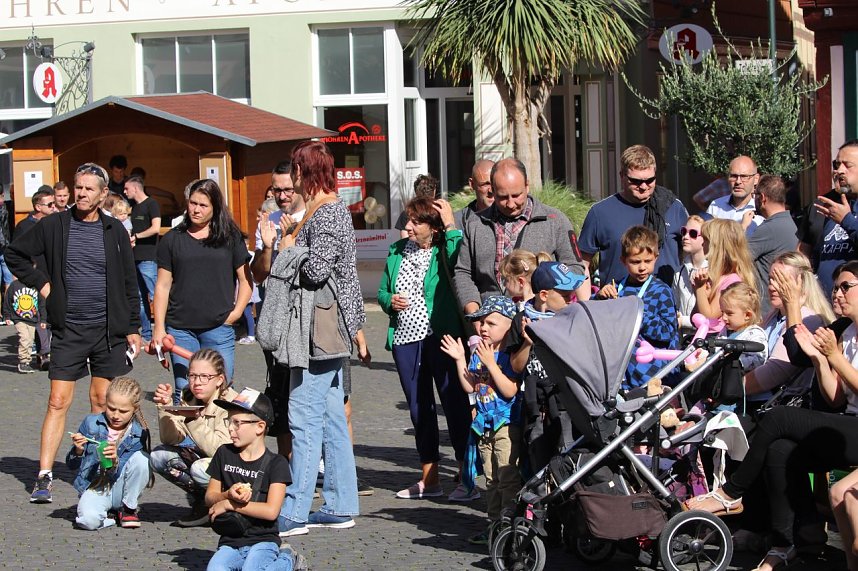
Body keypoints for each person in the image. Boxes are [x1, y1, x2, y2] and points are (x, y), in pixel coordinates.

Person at [686, 261, 858, 571]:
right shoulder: (843, 329)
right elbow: (834, 400)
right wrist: (821, 361)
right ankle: (792, 541)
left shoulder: (837, 332)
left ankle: (732, 493)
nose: (838, 293)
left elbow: (782, 368)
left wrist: (832, 356)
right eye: (835, 287)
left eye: (846, 287)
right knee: (781, 449)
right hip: (844, 422)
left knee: (776, 419)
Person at [6, 162, 141, 505]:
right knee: (57, 401)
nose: (81, 193)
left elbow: (129, 282)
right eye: (78, 187)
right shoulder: (54, 225)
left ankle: (100, 468)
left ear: (102, 195)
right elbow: (14, 253)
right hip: (69, 330)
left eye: (88, 188)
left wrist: (134, 328)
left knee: (102, 403)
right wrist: (44, 285)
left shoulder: (114, 231)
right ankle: (44, 475)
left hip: (108, 332)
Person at [276, 141, 364, 537]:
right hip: (326, 325)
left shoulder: (326, 212)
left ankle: (294, 512)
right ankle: (341, 503)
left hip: (321, 327)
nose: (292, 178)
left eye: (296, 170)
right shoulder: (324, 209)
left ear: (304, 172)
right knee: (329, 420)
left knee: (303, 417)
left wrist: (289, 247)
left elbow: (315, 271)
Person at [377, 196, 473, 502]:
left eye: (416, 222)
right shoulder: (396, 251)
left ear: (432, 227)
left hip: (441, 336)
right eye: (409, 220)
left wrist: (450, 225)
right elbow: (382, 291)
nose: (408, 227)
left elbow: (461, 259)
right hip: (405, 339)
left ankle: (466, 476)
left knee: (455, 405)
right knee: (420, 410)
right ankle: (430, 479)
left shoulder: (445, 249)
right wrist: (388, 301)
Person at [152, 178, 252, 404]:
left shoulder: (230, 237)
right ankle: (186, 440)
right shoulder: (172, 239)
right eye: (193, 203)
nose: (196, 209)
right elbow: (162, 285)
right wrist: (159, 327)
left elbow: (246, 281)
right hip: (180, 329)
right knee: (185, 391)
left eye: (203, 205)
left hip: (218, 327)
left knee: (221, 389)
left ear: (215, 208)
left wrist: (235, 314)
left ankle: (220, 439)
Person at [454, 157, 589, 313]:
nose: (510, 204)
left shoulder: (554, 221)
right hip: (488, 325)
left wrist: (544, 292)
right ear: (493, 190)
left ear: (527, 186)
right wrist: (474, 313)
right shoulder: (475, 223)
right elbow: (463, 272)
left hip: (539, 323)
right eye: (502, 197)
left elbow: (575, 267)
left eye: (516, 195)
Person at [440, 295, 521, 545]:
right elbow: (470, 387)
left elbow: (510, 390)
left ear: (509, 326)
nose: (483, 327)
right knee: (491, 479)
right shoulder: (479, 352)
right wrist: (460, 359)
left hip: (506, 425)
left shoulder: (510, 356)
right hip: (484, 425)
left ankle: (511, 526)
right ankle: (495, 524)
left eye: (491, 323)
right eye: (481, 322)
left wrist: (491, 364)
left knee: (508, 478)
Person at [206, 388, 306, 571]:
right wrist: (227, 494)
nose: (230, 427)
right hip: (231, 540)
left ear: (259, 427)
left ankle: (288, 559)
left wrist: (230, 504)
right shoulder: (224, 454)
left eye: (237, 423)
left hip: (264, 540)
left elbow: (271, 512)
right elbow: (209, 497)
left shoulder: (277, 463)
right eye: (229, 420)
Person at [509, 262, 585, 473]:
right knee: (538, 460)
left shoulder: (572, 317)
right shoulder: (522, 319)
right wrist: (528, 342)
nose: (571, 297)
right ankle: (539, 501)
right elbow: (516, 366)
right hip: (536, 406)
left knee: (568, 456)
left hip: (567, 403)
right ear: (544, 294)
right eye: (564, 293)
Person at [151, 349, 239, 527]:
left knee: (200, 468)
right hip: (210, 461)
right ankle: (203, 502)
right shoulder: (188, 396)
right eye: (192, 376)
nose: (197, 382)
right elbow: (171, 439)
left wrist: (193, 419)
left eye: (205, 376)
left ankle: (226, 503)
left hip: (235, 469)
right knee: (159, 456)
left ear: (219, 380)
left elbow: (220, 451)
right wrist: (165, 408)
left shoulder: (231, 404)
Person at [579, 144, 688, 288]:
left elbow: (693, 254)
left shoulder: (673, 207)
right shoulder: (600, 212)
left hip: (666, 302)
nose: (643, 187)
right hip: (618, 304)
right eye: (636, 181)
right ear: (622, 176)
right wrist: (588, 302)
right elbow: (582, 264)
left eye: (650, 180)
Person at [595, 226, 679, 389]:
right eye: (635, 262)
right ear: (623, 261)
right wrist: (599, 298)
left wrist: (636, 312)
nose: (642, 267)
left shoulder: (661, 291)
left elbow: (668, 332)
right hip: (618, 370)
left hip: (651, 371)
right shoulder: (617, 287)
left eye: (647, 261)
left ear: (656, 257)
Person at [66, 377, 153, 530]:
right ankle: (110, 519)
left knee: (144, 459)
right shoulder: (90, 423)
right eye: (111, 408)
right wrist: (78, 450)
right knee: (87, 521)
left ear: (135, 409)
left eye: (123, 411)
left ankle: (128, 509)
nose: (116, 415)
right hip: (95, 486)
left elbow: (132, 471)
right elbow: (71, 465)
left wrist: (114, 460)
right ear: (105, 402)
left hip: (122, 488)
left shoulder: (139, 433)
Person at [798, 140, 858, 297]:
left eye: (847, 165)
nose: (839, 170)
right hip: (822, 307)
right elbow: (802, 254)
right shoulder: (821, 204)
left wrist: (847, 220)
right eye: (836, 164)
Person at [693, 218, 758, 334]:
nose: (703, 243)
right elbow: (696, 317)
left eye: (706, 240)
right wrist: (701, 293)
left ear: (717, 246)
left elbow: (709, 316)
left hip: (718, 340)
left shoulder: (732, 280)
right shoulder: (717, 277)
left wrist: (700, 289)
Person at [746, 175, 797, 316]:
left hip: (767, 312)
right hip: (781, 308)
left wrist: (742, 227)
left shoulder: (769, 229)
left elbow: (737, 259)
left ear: (762, 198)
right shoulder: (789, 223)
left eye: (754, 195)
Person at [124, 175, 161, 343]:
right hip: (134, 258)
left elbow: (156, 228)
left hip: (148, 258)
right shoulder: (134, 207)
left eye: (127, 189)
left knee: (156, 295)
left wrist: (136, 236)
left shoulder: (151, 204)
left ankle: (165, 330)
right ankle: (146, 334)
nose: (125, 192)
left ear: (136, 188)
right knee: (139, 298)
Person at [717, 282, 769, 372]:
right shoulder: (725, 331)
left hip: (736, 378)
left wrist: (737, 363)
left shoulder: (755, 334)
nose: (724, 317)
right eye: (722, 312)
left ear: (747, 315)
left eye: (729, 313)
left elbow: (759, 358)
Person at [2, 274, 48, 373]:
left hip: (32, 319)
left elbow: (41, 304)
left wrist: (43, 320)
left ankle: (27, 361)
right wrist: (7, 316)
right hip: (19, 318)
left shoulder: (36, 286)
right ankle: (23, 361)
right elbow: (7, 301)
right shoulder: (14, 285)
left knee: (30, 340)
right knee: (24, 338)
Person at [705, 155, 764, 233]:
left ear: (756, 179)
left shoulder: (762, 209)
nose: (738, 182)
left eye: (744, 176)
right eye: (734, 176)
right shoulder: (716, 207)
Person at [673, 215, 708, 335]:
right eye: (684, 231)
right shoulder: (679, 271)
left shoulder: (715, 271)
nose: (685, 237)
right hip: (683, 340)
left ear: (706, 238)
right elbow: (676, 307)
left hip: (706, 339)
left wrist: (683, 320)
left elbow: (712, 317)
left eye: (693, 233)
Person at [454, 159, 495, 230]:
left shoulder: (511, 217)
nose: (491, 191)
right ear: (472, 184)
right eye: (485, 184)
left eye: (494, 183)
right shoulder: (459, 221)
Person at [395, 174, 439, 238]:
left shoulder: (407, 213)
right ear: (434, 191)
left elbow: (405, 239)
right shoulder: (440, 211)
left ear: (416, 191)